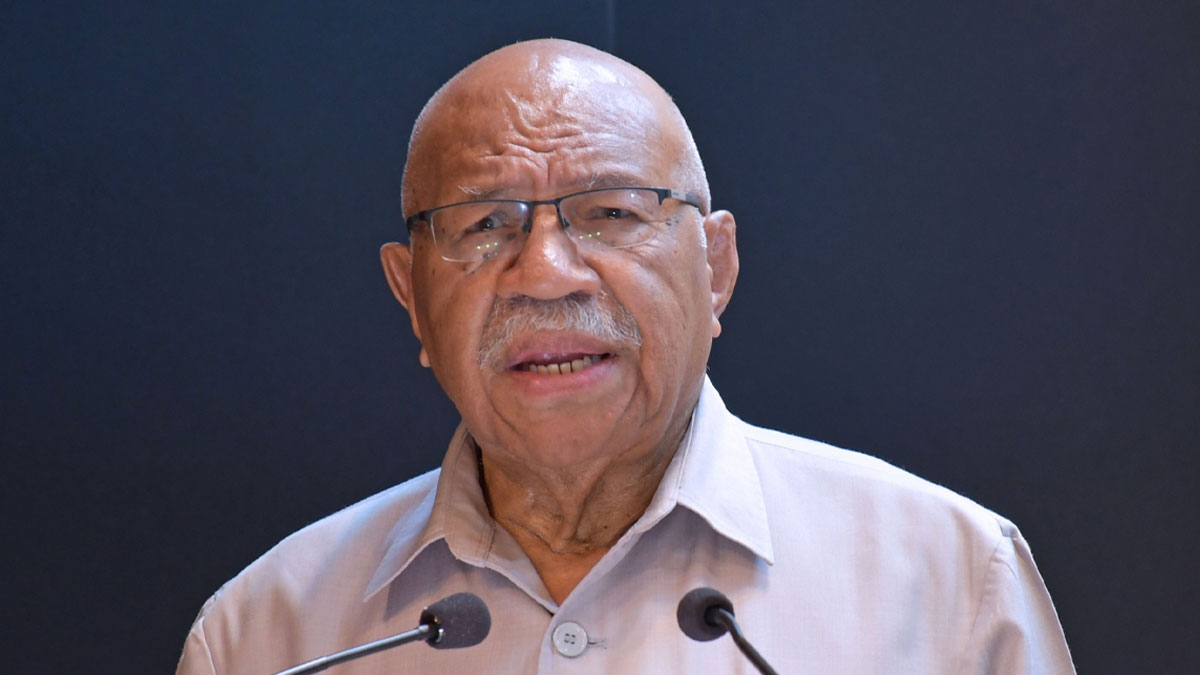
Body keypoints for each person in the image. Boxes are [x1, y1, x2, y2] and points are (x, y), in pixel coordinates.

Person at [176, 39, 1075, 674]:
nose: (545, 274)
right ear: (411, 295)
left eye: (610, 212)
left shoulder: (950, 584)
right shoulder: (269, 636)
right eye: (484, 224)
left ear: (716, 268)